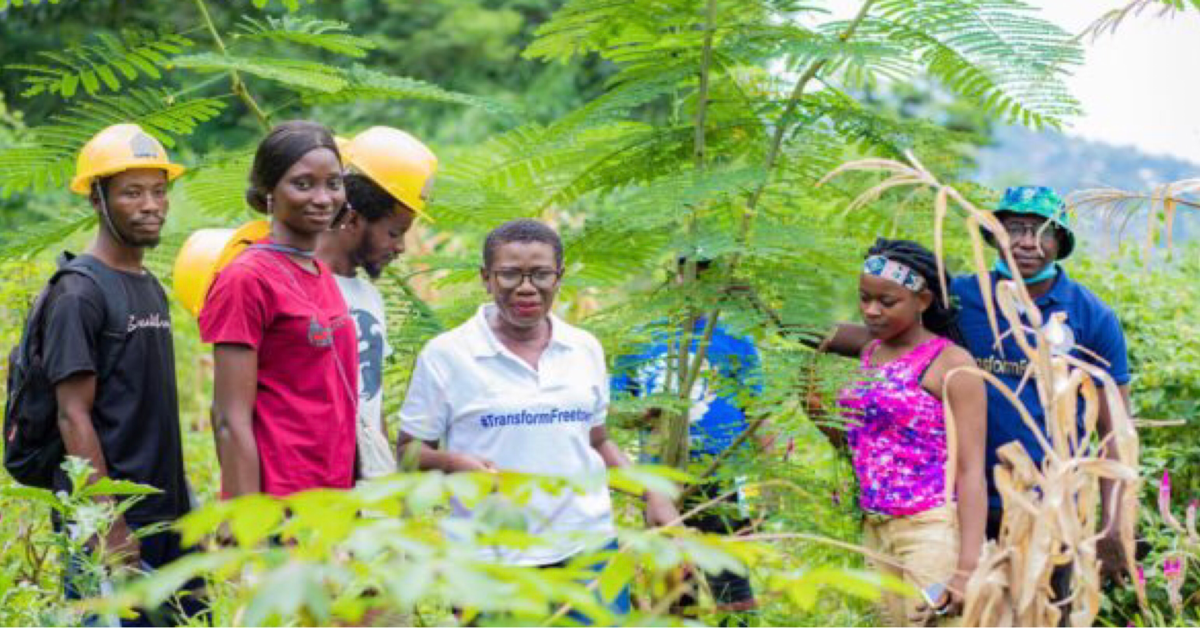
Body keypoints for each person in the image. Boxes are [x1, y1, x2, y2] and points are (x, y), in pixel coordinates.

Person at [822, 187, 1133, 609]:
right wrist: (792, 327)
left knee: (1040, 614)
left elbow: (1116, 432)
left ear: (1060, 241)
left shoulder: (1091, 316)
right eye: (1015, 229)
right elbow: (889, 339)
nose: (1027, 242)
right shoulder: (960, 299)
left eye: (1043, 231)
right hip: (959, 507)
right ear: (993, 235)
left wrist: (1114, 524)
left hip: (1049, 510)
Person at [397, 219, 679, 621]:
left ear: (559, 278)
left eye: (541, 274)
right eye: (510, 274)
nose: (526, 287)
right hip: (491, 558)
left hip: (588, 550)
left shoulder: (584, 349)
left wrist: (653, 494)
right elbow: (409, 452)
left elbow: (597, 441)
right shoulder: (447, 355)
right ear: (486, 278)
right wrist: (454, 463)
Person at [44, 123, 201, 624]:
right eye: (132, 192)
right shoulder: (78, 294)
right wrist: (108, 526)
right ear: (97, 198)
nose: (151, 205)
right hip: (109, 522)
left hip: (167, 513)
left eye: (159, 191)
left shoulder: (149, 285)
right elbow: (72, 415)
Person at [827, 239, 987, 625]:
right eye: (864, 298)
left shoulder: (951, 364)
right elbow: (804, 331)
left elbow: (971, 471)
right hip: (876, 527)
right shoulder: (870, 350)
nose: (871, 310)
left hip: (930, 533)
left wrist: (965, 570)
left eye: (887, 301)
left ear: (923, 300)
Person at [199, 120, 358, 499]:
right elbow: (228, 417)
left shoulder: (318, 271)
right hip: (278, 501)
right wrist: (246, 521)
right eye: (303, 184)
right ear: (269, 191)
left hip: (332, 498)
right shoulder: (246, 278)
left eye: (333, 183)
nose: (323, 198)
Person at [611, 256, 769, 626]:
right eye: (692, 274)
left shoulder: (735, 340)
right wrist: (644, 412)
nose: (699, 284)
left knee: (731, 581)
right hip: (660, 483)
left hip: (720, 479)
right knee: (674, 587)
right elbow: (614, 412)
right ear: (676, 277)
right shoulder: (640, 340)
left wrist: (769, 487)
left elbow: (759, 415)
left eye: (709, 277)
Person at [315, 126, 437, 480]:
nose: (400, 247)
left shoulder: (369, 296)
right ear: (353, 219)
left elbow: (372, 401)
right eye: (394, 232)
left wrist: (387, 485)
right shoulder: (296, 288)